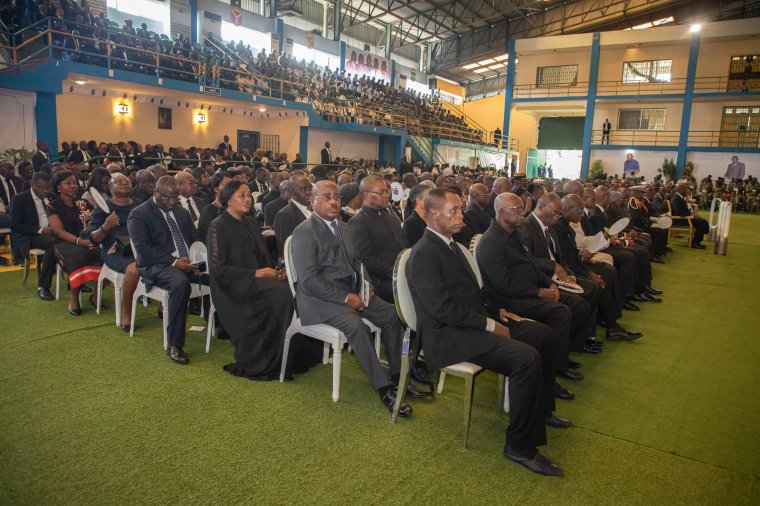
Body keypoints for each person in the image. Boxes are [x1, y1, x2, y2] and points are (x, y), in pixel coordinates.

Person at [406, 187, 568, 477]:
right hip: (448, 337)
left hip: (468, 324)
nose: (461, 216)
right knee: (526, 358)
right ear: (433, 214)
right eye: (454, 211)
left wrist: (496, 312)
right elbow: (442, 310)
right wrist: (490, 324)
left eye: (460, 209)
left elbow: (471, 296)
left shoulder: (451, 245)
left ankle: (540, 411)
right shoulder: (424, 253)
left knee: (542, 335)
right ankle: (519, 445)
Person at [290, 180, 412, 417]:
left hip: (351, 292)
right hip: (319, 300)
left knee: (392, 315)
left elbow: (357, 263)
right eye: (326, 197)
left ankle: (398, 378)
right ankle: (384, 388)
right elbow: (309, 280)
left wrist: (367, 287)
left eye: (336, 196)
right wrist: (347, 298)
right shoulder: (304, 232)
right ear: (312, 201)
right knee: (356, 325)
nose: (333, 201)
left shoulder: (343, 227)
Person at [207, 181, 321, 380]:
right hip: (233, 287)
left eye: (248, 195)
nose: (248, 199)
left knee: (294, 288)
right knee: (283, 295)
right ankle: (269, 360)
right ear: (228, 200)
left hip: (259, 280)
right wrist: (258, 273)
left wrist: (277, 271)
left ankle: (292, 356)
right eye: (241, 195)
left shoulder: (250, 222)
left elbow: (263, 257)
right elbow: (219, 270)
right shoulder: (218, 226)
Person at [127, 176, 202, 365]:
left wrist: (199, 260)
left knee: (220, 273)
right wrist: (175, 262)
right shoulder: (139, 214)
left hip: (187, 261)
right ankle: (174, 344)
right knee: (180, 283)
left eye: (175, 197)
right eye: (167, 197)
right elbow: (144, 249)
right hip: (155, 265)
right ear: (155, 193)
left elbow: (195, 238)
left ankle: (221, 326)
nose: (171, 202)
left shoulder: (181, 212)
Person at [46, 170, 103, 316]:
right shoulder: (53, 206)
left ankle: (96, 295)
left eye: (75, 183)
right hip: (63, 243)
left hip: (86, 239)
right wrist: (80, 242)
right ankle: (74, 297)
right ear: (58, 187)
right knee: (79, 255)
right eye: (68, 183)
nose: (73, 186)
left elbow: (93, 223)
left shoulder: (84, 203)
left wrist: (92, 238)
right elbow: (59, 231)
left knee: (107, 253)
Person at [89, 173, 141, 331]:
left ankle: (162, 304)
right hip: (114, 251)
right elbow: (94, 239)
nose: (124, 182)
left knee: (165, 260)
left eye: (126, 181)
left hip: (139, 248)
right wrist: (106, 226)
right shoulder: (103, 208)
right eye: (118, 181)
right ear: (110, 187)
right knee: (134, 269)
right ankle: (127, 312)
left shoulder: (140, 205)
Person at [348, 175, 405, 303]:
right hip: (381, 282)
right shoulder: (359, 222)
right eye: (381, 192)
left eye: (387, 191)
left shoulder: (391, 218)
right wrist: (394, 271)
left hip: (400, 273)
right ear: (366, 195)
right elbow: (364, 258)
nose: (387, 195)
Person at [10, 171, 58, 299]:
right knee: (53, 244)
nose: (45, 191)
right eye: (42, 187)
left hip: (54, 233)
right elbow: (15, 225)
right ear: (32, 184)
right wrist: (40, 230)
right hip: (31, 236)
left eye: (48, 187)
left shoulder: (52, 197)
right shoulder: (19, 199)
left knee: (71, 239)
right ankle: (43, 286)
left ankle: (74, 281)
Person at [273, 174, 311, 255]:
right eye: (303, 189)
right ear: (291, 191)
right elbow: (287, 248)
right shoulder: (285, 215)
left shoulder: (313, 209)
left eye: (310, 188)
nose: (309, 192)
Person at [670, 183, 709, 249]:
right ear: (681, 190)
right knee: (702, 223)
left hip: (685, 218)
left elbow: (683, 210)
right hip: (681, 220)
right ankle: (695, 243)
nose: (687, 191)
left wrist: (692, 214)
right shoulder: (676, 199)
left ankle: (697, 241)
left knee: (703, 222)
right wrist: (691, 216)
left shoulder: (679, 197)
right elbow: (678, 212)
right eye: (685, 190)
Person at [199, 170, 234, 242]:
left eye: (231, 186)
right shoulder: (208, 212)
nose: (230, 190)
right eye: (226, 186)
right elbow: (207, 238)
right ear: (216, 189)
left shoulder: (235, 208)